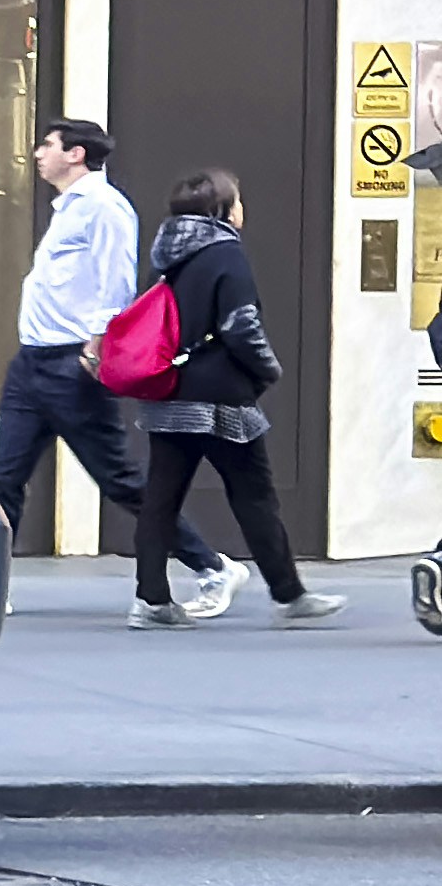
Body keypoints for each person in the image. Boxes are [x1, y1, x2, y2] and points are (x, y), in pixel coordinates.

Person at [0, 116, 224, 599]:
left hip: (71, 364)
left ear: (75, 154)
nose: (38, 153)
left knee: (119, 479)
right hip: (31, 364)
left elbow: (115, 281)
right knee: (3, 476)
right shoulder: (69, 208)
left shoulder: (104, 208)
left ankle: (211, 565)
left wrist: (97, 347)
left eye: (47, 145)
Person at [126, 164, 343, 626]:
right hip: (221, 398)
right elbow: (241, 326)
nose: (243, 209)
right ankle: (288, 593)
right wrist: (268, 369)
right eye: (238, 200)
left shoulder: (168, 253)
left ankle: (151, 600)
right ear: (222, 208)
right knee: (253, 495)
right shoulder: (225, 253)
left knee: (161, 499)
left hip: (170, 391)